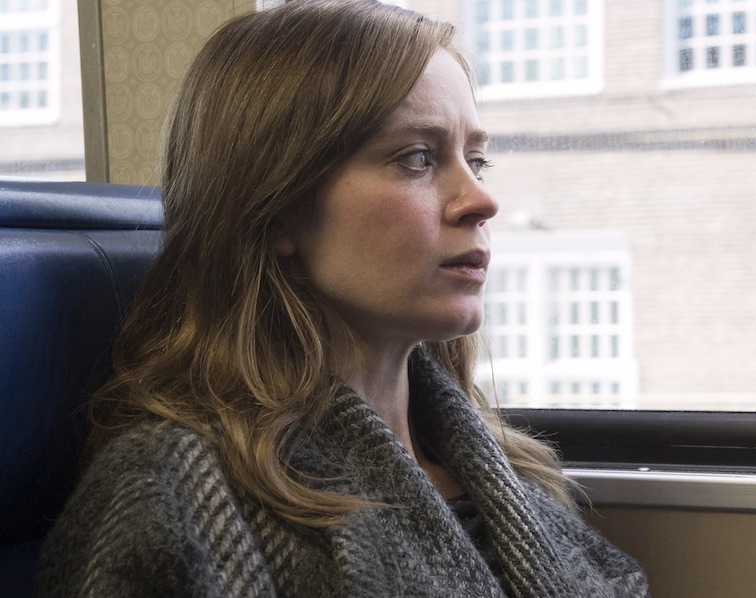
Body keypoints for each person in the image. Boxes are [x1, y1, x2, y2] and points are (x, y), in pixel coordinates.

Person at [36, 1, 649, 596]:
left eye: (477, 160)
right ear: (278, 209)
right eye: (417, 158)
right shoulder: (170, 495)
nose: (481, 201)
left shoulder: (519, 476)